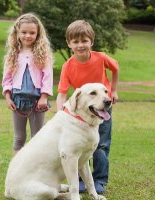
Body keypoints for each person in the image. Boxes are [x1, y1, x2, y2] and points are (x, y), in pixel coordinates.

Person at [56, 20, 119, 194]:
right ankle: (81, 182)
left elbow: (116, 68)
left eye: (84, 41)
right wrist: (61, 113)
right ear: (69, 44)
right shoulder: (67, 66)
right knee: (78, 146)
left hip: (103, 107)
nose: (80, 45)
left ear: (91, 41)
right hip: (80, 112)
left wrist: (113, 90)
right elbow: (62, 93)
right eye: (75, 42)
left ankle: (99, 181)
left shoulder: (101, 58)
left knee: (101, 145)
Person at [2, 13, 53, 155]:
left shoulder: (43, 53)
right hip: (17, 100)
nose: (28, 36)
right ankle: (16, 171)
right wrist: (7, 97)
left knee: (37, 137)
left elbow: (48, 76)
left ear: (38, 33)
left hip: (37, 101)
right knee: (19, 138)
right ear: (17, 33)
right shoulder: (13, 54)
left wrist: (44, 97)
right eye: (24, 32)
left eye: (32, 33)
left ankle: (36, 170)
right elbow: (7, 78)